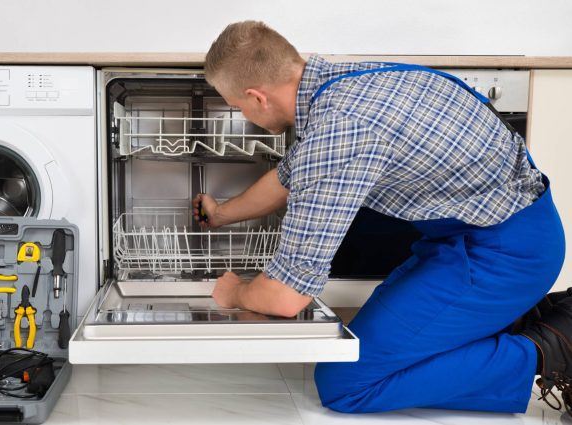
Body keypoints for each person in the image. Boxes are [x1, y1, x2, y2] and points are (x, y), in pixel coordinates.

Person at [194, 20, 567, 414]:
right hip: (470, 239)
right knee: (385, 350)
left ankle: (550, 348)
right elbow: (287, 177)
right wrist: (221, 215)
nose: (245, 115)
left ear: (257, 98)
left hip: (504, 255)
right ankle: (517, 317)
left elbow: (286, 298)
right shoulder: (343, 83)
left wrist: (233, 292)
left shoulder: (339, 131)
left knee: (347, 384)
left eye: (238, 107)